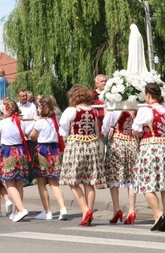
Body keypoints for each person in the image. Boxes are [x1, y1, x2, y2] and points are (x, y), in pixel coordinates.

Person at [133, 81, 165, 232]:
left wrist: (139, 134)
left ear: (148, 94)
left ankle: (158, 214)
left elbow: (135, 129)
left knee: (146, 184)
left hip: (151, 148)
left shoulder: (146, 110)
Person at [59, 84, 103, 226]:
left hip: (76, 145)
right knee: (89, 181)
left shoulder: (71, 110)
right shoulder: (93, 111)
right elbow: (96, 130)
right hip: (91, 145)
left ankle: (85, 210)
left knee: (73, 180)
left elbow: (63, 130)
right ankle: (89, 212)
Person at [29, 96, 68, 220]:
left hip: (43, 151)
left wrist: (35, 123)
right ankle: (63, 208)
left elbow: (33, 137)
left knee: (41, 182)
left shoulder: (40, 122)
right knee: (54, 182)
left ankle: (47, 211)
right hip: (54, 151)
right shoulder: (54, 121)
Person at [102, 100, 139, 225]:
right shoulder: (138, 108)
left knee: (113, 176)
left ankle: (116, 209)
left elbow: (105, 127)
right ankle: (132, 210)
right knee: (131, 177)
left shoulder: (115, 109)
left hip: (117, 142)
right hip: (132, 143)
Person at [0, 99, 30, 222]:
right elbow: (25, 134)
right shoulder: (20, 121)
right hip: (20, 151)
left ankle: (21, 209)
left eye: (4, 108)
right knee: (19, 182)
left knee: (9, 182)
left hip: (8, 152)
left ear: (7, 110)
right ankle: (16, 212)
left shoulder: (3, 123)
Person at [92, 74, 108, 166]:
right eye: (102, 81)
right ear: (96, 83)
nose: (104, 83)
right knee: (100, 152)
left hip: (111, 127)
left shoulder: (113, 94)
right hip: (99, 127)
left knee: (111, 153)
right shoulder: (92, 95)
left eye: (105, 81)